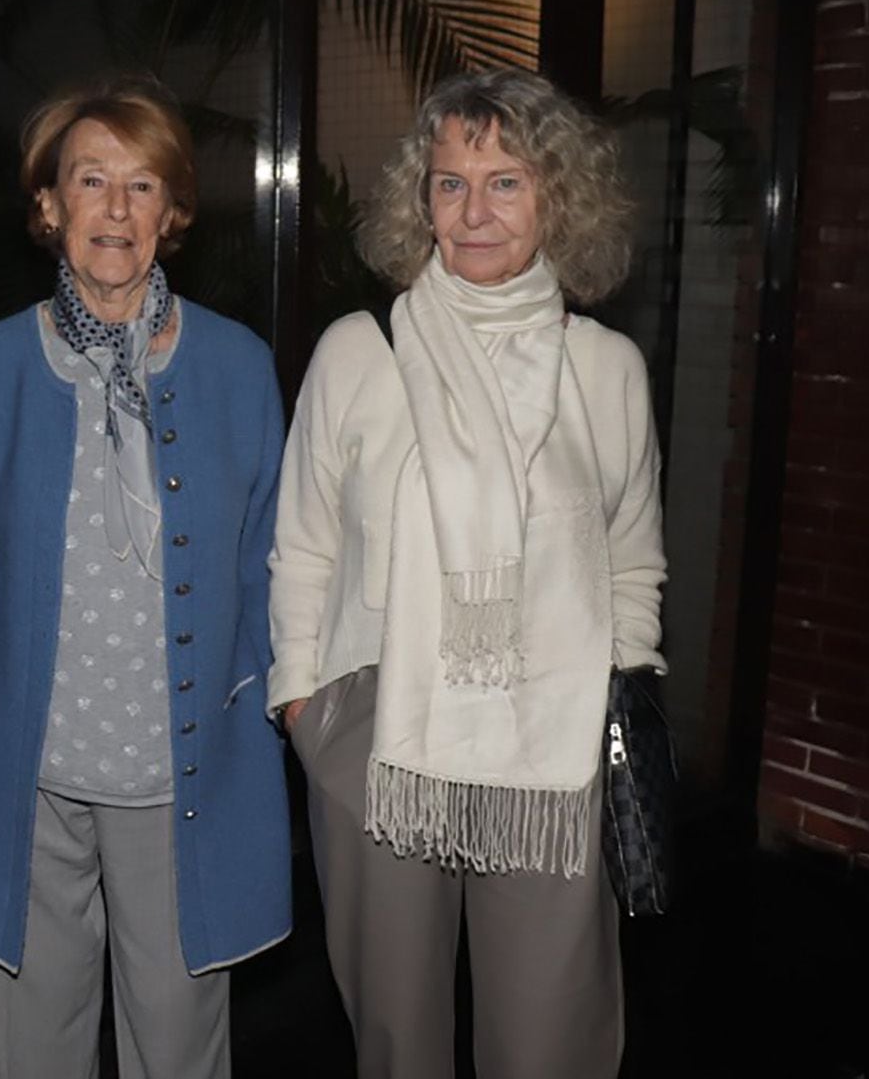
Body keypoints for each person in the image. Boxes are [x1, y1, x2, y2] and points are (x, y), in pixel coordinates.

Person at [268, 68, 667, 1078]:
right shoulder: (359, 353)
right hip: (379, 740)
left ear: (556, 201)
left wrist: (621, 696)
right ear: (421, 200)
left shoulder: (606, 369)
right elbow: (304, 541)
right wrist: (302, 705)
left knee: (549, 1040)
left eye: (506, 184)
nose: (474, 211)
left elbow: (632, 556)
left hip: (552, 751)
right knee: (396, 1037)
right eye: (451, 183)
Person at [0, 75, 291, 1079]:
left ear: (173, 212)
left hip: (183, 772)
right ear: (50, 207)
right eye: (91, 181)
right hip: (23, 770)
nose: (115, 210)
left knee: (178, 1050)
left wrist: (269, 703)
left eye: (142, 186)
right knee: (34, 1051)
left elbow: (270, 562)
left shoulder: (237, 366)